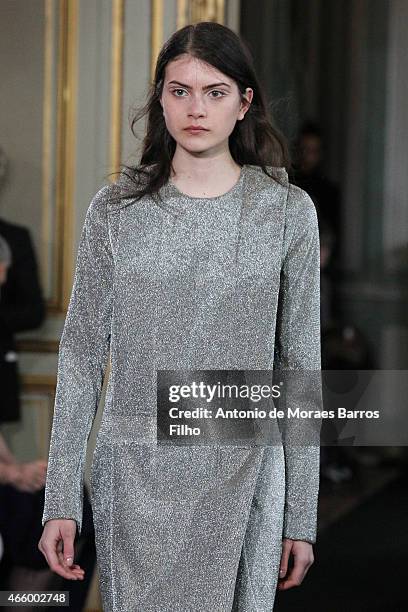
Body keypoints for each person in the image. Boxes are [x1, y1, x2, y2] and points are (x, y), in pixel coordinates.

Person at [38, 22, 322, 611]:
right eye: (179, 90)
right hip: (135, 472)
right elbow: (83, 352)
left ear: (244, 104)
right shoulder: (117, 210)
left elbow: (301, 367)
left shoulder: (286, 211)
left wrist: (302, 514)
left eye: (215, 92)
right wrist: (61, 498)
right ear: (160, 98)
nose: (196, 108)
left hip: (245, 473)